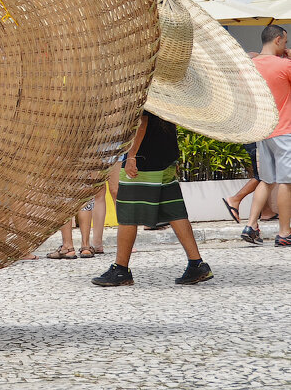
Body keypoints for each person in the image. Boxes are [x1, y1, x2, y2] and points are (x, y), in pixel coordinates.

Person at [92, 110, 213, 286]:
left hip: (144, 158)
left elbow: (142, 121)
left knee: (128, 213)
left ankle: (120, 270)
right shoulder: (165, 89)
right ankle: (197, 264)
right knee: (175, 211)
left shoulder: (145, 87)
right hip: (166, 156)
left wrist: (131, 156)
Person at [242, 25, 291, 247]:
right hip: (285, 130)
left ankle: (251, 225)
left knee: (267, 180)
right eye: (286, 42)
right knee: (286, 182)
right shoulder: (285, 65)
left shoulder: (250, 65)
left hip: (264, 131)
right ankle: (284, 232)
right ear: (279, 40)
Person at [221, 143, 278, 223]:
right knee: (263, 175)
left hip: (255, 140)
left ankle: (266, 211)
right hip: (257, 140)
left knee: (264, 174)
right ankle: (235, 199)